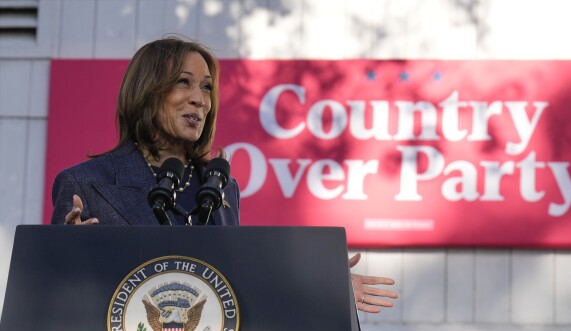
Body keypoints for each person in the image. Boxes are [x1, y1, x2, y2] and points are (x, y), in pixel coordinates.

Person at [51, 36, 397, 313]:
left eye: (206, 87)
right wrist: (66, 256)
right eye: (183, 83)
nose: (200, 100)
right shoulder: (85, 183)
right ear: (147, 92)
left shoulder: (221, 188)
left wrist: (321, 283)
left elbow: (232, 281)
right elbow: (53, 298)